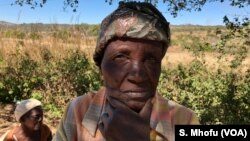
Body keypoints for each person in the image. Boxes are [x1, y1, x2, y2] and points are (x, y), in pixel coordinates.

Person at [53, 1, 199, 141]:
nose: (138, 76)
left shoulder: (184, 120)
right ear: (100, 65)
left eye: (151, 60)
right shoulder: (79, 111)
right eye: (120, 57)